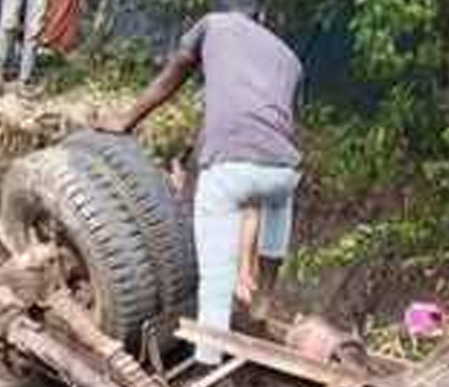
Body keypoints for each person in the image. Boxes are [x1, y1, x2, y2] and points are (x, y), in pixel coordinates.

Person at [105, 0, 302, 366]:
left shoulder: (213, 24)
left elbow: (171, 77)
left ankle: (208, 367)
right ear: (262, 17)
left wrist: (124, 121)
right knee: (277, 200)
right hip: (284, 169)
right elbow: (285, 121)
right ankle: (262, 303)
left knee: (214, 282)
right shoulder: (289, 57)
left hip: (229, 167)